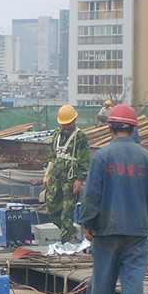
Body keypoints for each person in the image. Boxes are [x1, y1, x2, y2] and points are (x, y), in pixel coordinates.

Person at [78, 104, 148, 294]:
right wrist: (144, 219)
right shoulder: (147, 158)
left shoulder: (102, 156)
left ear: (109, 128)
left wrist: (88, 223)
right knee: (133, 284)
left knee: (102, 282)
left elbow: (91, 196)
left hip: (106, 231)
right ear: (134, 129)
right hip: (137, 232)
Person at [44, 104, 90, 243]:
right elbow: (53, 156)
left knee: (67, 213)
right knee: (51, 208)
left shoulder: (80, 137)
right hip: (56, 176)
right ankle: (69, 230)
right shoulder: (57, 134)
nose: (66, 126)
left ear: (74, 120)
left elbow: (84, 159)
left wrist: (80, 179)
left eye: (68, 123)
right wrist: (48, 173)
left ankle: (66, 242)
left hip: (71, 178)